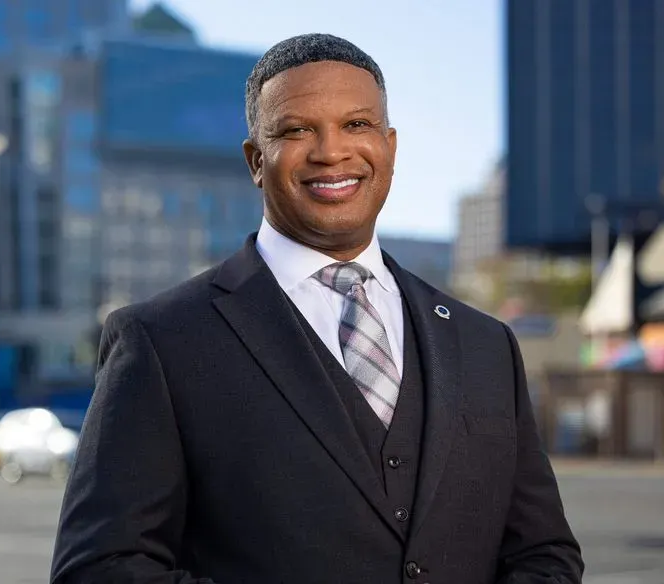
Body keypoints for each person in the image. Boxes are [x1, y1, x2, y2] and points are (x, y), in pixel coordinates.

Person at [50, 33, 584, 584]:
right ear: (256, 161)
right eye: (297, 130)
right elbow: (99, 569)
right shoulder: (161, 340)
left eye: (357, 124)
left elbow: (544, 554)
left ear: (389, 147)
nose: (331, 151)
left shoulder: (485, 344)